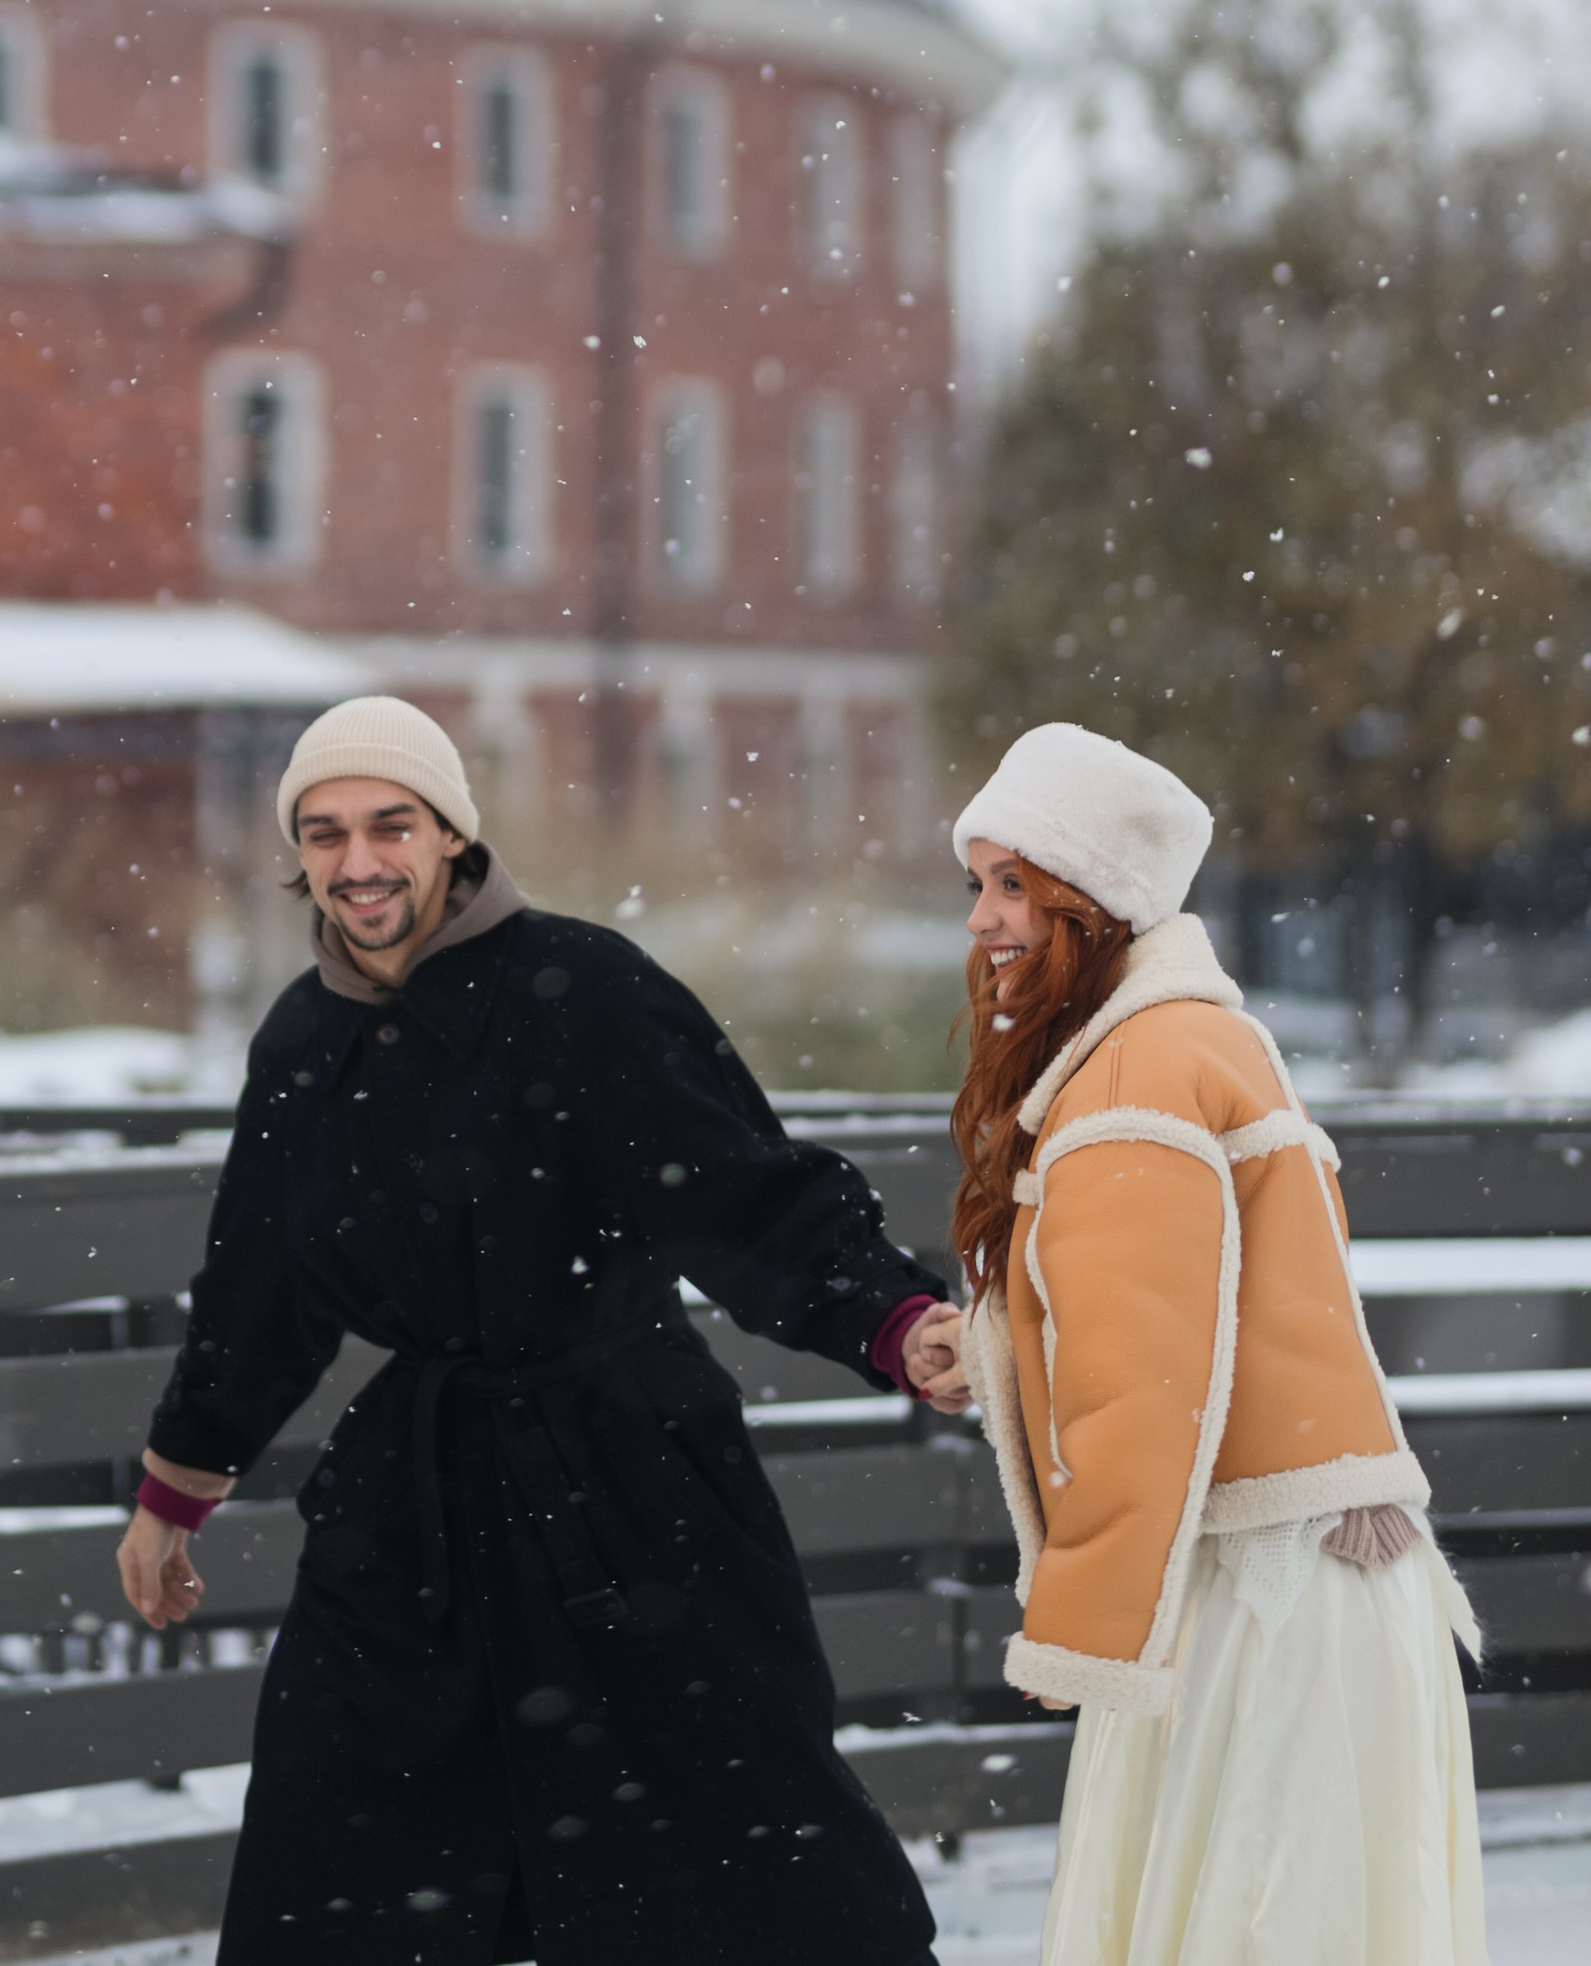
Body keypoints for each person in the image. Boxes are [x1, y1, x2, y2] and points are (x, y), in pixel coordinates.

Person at [115, 691, 966, 1966]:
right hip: (412, 1512)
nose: (357, 863)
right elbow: (257, 1291)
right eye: (326, 832)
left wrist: (891, 1321)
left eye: (389, 826)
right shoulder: (301, 1043)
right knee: (335, 1851)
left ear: (451, 833)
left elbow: (740, 1190)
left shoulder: (586, 991)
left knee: (732, 1854)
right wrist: (177, 1485)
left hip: (627, 1487)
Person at [932, 718, 1486, 1964]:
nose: (981, 920)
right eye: (977, 884)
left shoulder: (1133, 1078)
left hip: (1251, 1601)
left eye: (1013, 884)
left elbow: (1144, 1384)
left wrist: (1079, 1629)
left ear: (1095, 905)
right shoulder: (1200, 1040)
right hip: (1320, 1576)